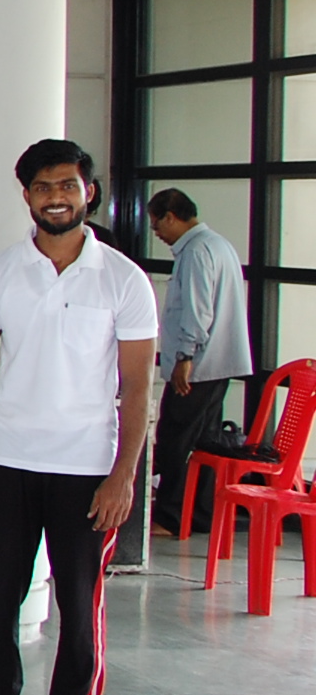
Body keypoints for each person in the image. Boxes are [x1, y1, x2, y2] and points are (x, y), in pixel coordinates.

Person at [0, 139, 156, 695]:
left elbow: (137, 386)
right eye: (43, 187)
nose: (56, 197)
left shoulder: (124, 279)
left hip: (88, 468)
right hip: (7, 462)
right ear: (27, 197)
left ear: (88, 192)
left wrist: (123, 476)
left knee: (79, 603)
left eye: (67, 185)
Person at [146, 188, 252, 534]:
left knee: (176, 437)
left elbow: (198, 310)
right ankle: (200, 514)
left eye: (156, 224)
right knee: (205, 442)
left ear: (171, 217)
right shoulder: (218, 244)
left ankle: (171, 516)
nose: (157, 233)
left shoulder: (195, 251)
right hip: (220, 363)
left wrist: (184, 356)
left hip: (198, 365)